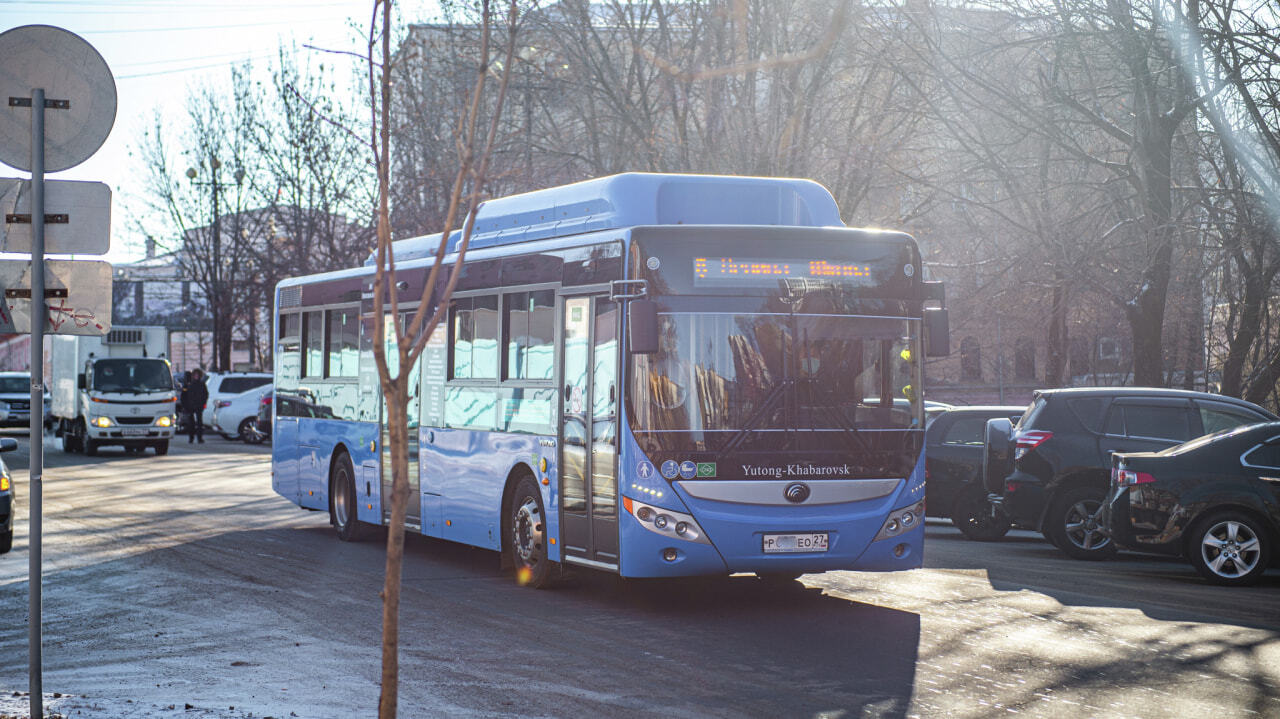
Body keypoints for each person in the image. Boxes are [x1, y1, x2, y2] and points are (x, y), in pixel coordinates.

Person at [180, 368, 209, 444]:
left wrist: (203, 403)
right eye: (195, 375)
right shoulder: (188, 385)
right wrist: (185, 406)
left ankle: (200, 438)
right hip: (190, 406)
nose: (196, 376)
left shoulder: (202, 384)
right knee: (191, 423)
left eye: (198, 375)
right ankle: (191, 438)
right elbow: (183, 396)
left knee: (199, 423)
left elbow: (205, 394)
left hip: (199, 406)